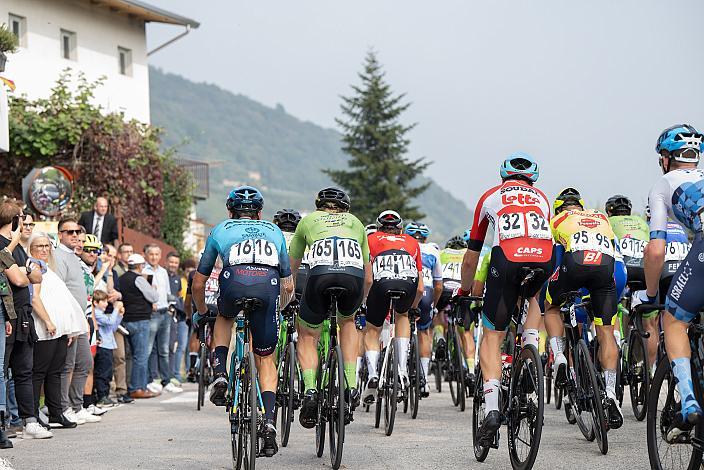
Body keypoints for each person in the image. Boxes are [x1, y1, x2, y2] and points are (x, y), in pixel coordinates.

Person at [459, 153, 554, 445]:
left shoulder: (490, 196)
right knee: (535, 294)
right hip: (544, 260)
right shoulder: (543, 198)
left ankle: (491, 409)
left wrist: (464, 291)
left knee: (492, 335)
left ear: (503, 177)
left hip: (506, 260)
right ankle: (530, 344)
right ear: (532, 179)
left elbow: (472, 255)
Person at [192, 185, 293, 458]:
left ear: (229, 211)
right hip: (268, 287)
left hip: (233, 282)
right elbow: (288, 285)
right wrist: (278, 310)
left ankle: (220, 375)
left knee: (224, 316)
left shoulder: (220, 229)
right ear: (260, 213)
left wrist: (201, 311)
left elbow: (199, 281)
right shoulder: (274, 232)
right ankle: (269, 420)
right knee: (265, 359)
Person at [288, 187, 371, 430]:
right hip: (353, 278)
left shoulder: (307, 221)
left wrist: (290, 298)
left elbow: (291, 270)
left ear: (319, 206)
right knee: (348, 322)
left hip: (319, 278)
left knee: (307, 335)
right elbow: (369, 278)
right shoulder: (356, 223)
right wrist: (361, 303)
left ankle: (311, 390)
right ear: (346, 208)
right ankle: (351, 385)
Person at [640, 124, 704, 439]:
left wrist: (650, 294)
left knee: (674, 321)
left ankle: (689, 402)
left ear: (666, 158)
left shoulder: (663, 185)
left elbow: (655, 251)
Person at [544, 187, 623, 429]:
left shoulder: (557, 219)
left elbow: (549, 255)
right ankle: (610, 393)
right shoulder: (601, 217)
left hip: (575, 264)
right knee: (606, 332)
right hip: (606, 268)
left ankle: (558, 355)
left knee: (551, 306)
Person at [0, 200, 50, 439]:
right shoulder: (3, 246)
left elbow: (37, 274)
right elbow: (19, 280)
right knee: (2, 371)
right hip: (7, 316)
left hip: (24, 316)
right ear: (15, 220)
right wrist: (25, 271)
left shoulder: (19, 247)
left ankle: (29, 421)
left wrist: (25, 270)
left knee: (24, 371)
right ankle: (5, 421)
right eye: (22, 218)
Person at [362, 210, 424, 404]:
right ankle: (402, 371)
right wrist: (413, 307)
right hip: (407, 283)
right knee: (403, 315)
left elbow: (368, 278)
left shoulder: (370, 239)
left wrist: (364, 301)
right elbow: (421, 288)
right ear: (400, 228)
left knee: (372, 329)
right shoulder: (412, 242)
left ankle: (372, 374)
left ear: (379, 227)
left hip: (381, 283)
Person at [28, 232, 83, 429]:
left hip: (59, 330)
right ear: (31, 248)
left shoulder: (49, 270)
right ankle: (33, 415)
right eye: (39, 246)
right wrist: (48, 321)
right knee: (39, 372)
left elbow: (62, 300)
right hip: (45, 328)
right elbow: (35, 299)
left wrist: (68, 328)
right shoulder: (33, 268)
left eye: (46, 246)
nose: (44, 249)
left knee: (56, 372)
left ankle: (56, 412)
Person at [404, 221, 443, 388]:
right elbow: (439, 285)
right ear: (425, 238)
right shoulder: (433, 250)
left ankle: (402, 373)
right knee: (424, 332)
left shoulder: (403, 245)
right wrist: (434, 304)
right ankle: (424, 380)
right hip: (427, 291)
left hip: (407, 287)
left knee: (402, 325)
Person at [143, 245, 182, 394]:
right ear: (146, 255)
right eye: (151, 254)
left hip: (165, 313)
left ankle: (166, 380)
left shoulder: (163, 272)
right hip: (152, 313)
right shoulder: (144, 271)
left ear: (160, 256)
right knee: (149, 348)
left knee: (164, 349)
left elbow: (167, 293)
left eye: (156, 254)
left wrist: (171, 307)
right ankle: (150, 379)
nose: (153, 257)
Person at [119, 254, 159, 399]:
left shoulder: (122, 278)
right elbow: (154, 297)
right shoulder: (139, 279)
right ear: (140, 266)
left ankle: (132, 386)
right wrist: (152, 287)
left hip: (126, 320)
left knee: (131, 356)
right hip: (140, 320)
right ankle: (138, 388)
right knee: (141, 356)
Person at [93, 290, 123, 407]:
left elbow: (113, 327)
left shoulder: (103, 314)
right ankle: (101, 396)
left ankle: (105, 395)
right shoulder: (97, 313)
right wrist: (116, 308)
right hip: (103, 346)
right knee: (102, 372)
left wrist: (119, 315)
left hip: (109, 345)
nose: (106, 304)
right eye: (103, 301)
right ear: (95, 303)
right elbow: (110, 322)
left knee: (108, 372)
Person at [165, 252, 188, 384]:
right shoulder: (163, 275)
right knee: (164, 347)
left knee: (173, 347)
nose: (173, 265)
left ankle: (172, 375)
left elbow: (178, 296)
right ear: (167, 262)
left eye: (176, 263)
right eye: (171, 262)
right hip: (164, 314)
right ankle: (163, 376)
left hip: (176, 316)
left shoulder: (177, 279)